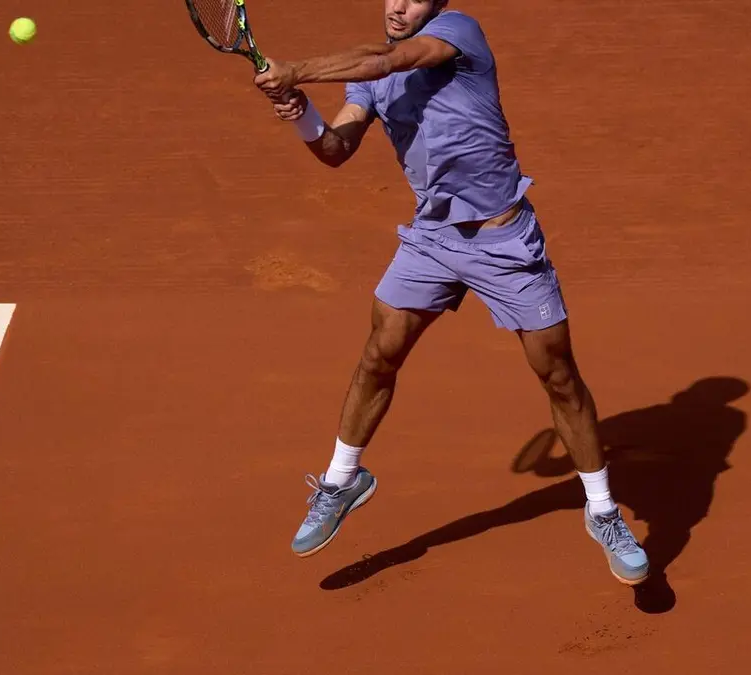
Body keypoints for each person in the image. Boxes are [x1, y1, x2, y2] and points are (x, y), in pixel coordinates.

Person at [253, 0, 649, 585]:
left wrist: (297, 69)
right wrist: (302, 112)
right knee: (379, 352)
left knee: (559, 375)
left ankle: (603, 512)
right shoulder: (371, 80)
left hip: (504, 240)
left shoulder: (458, 33)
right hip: (432, 239)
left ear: (437, 4)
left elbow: (388, 60)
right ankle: (342, 479)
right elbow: (336, 150)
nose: (398, 5)